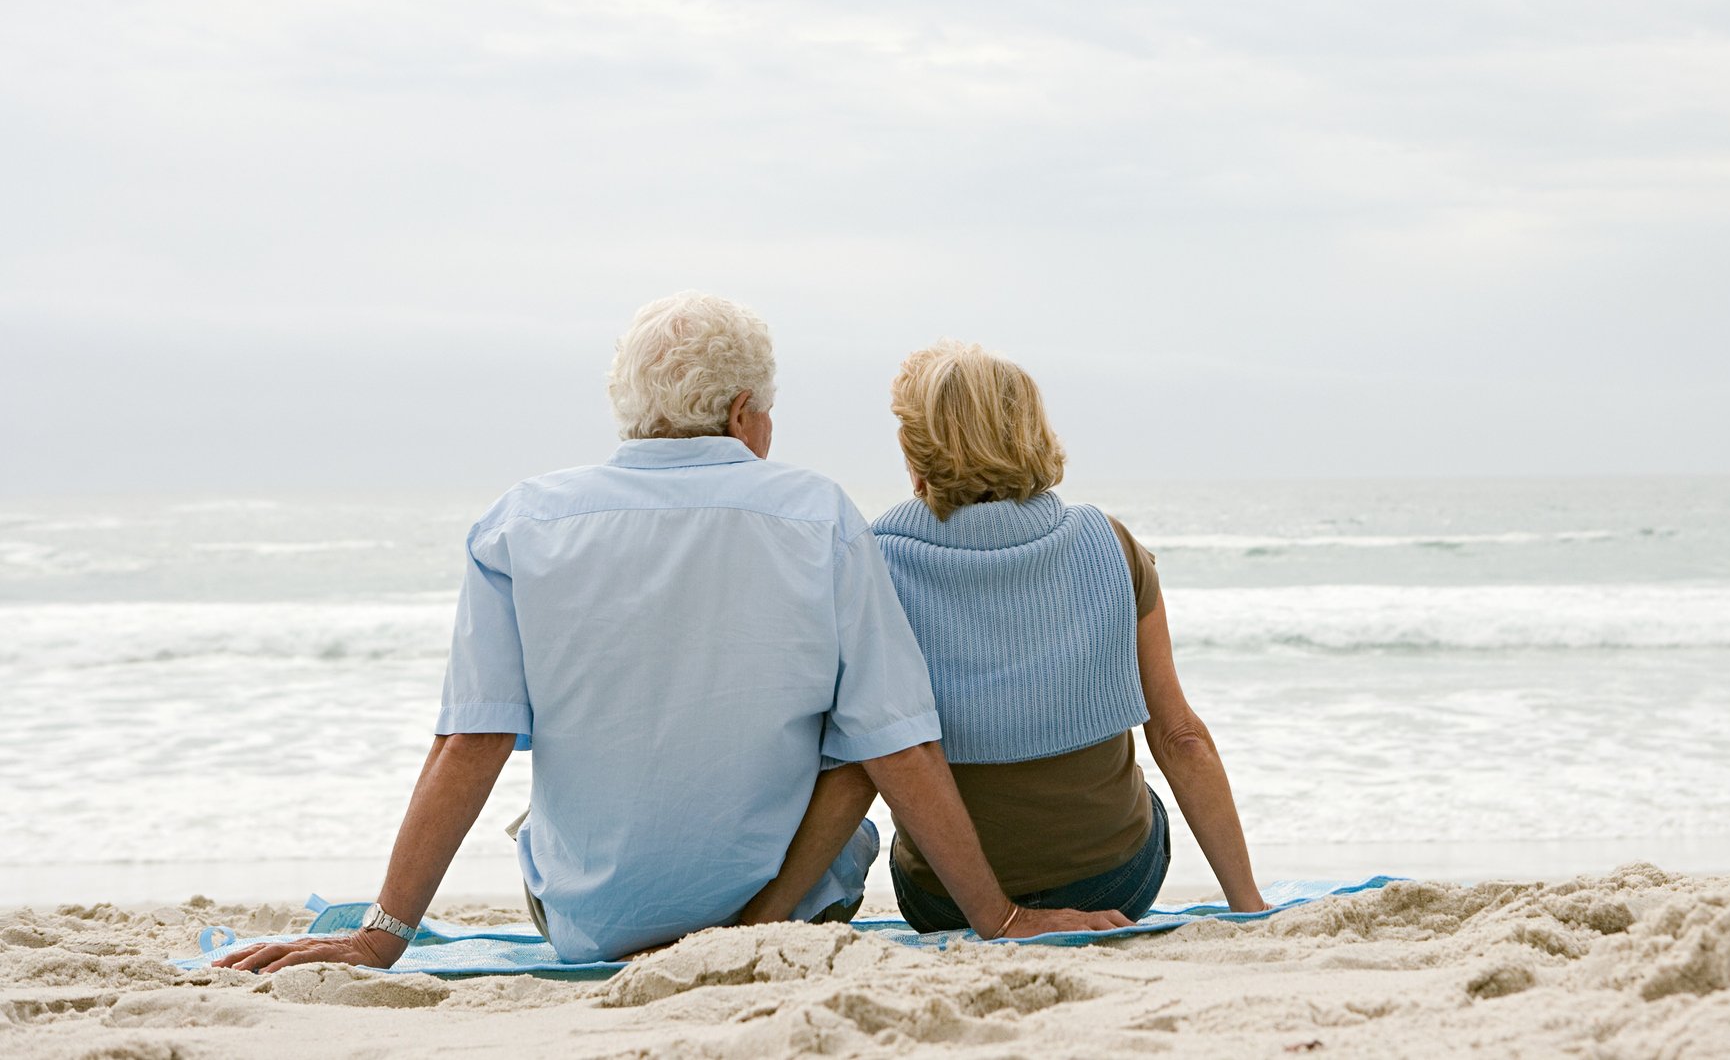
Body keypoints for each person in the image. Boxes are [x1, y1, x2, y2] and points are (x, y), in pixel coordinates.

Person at [218, 295, 1124, 973]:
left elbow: (472, 740)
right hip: (794, 913)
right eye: (765, 411)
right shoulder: (819, 516)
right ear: (741, 414)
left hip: (588, 924)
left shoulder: (521, 523)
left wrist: (383, 936)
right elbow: (896, 743)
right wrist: (998, 918)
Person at [865, 339, 1269, 931]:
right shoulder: (1108, 543)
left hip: (945, 901)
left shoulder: (876, 563)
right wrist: (1249, 908)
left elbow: (870, 753)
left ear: (915, 447)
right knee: (1138, 801)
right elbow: (1180, 735)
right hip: (1116, 884)